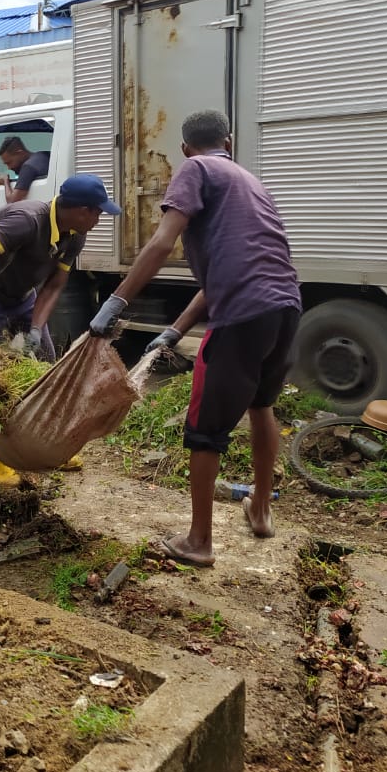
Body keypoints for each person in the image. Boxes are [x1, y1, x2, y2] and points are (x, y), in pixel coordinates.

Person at [89, 110, 302, 567]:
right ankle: (261, 511)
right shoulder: (250, 183)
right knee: (262, 405)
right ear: (230, 141)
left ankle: (199, 541)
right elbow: (223, 276)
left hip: (241, 315)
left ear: (185, 149)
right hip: (285, 307)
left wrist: (117, 301)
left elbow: (162, 243)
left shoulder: (196, 169)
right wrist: (175, 330)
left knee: (205, 430)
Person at [0, 173, 121, 486]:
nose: (99, 219)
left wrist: (37, 328)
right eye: (98, 212)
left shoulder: (74, 235)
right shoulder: (26, 221)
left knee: (47, 367)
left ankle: (52, 446)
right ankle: (1, 459)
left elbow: (54, 286)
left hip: (22, 297)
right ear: (81, 210)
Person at [0, 136, 49, 203]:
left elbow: (12, 201)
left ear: (20, 153)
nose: (9, 168)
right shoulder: (43, 155)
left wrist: (5, 181)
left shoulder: (28, 167)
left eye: (9, 163)